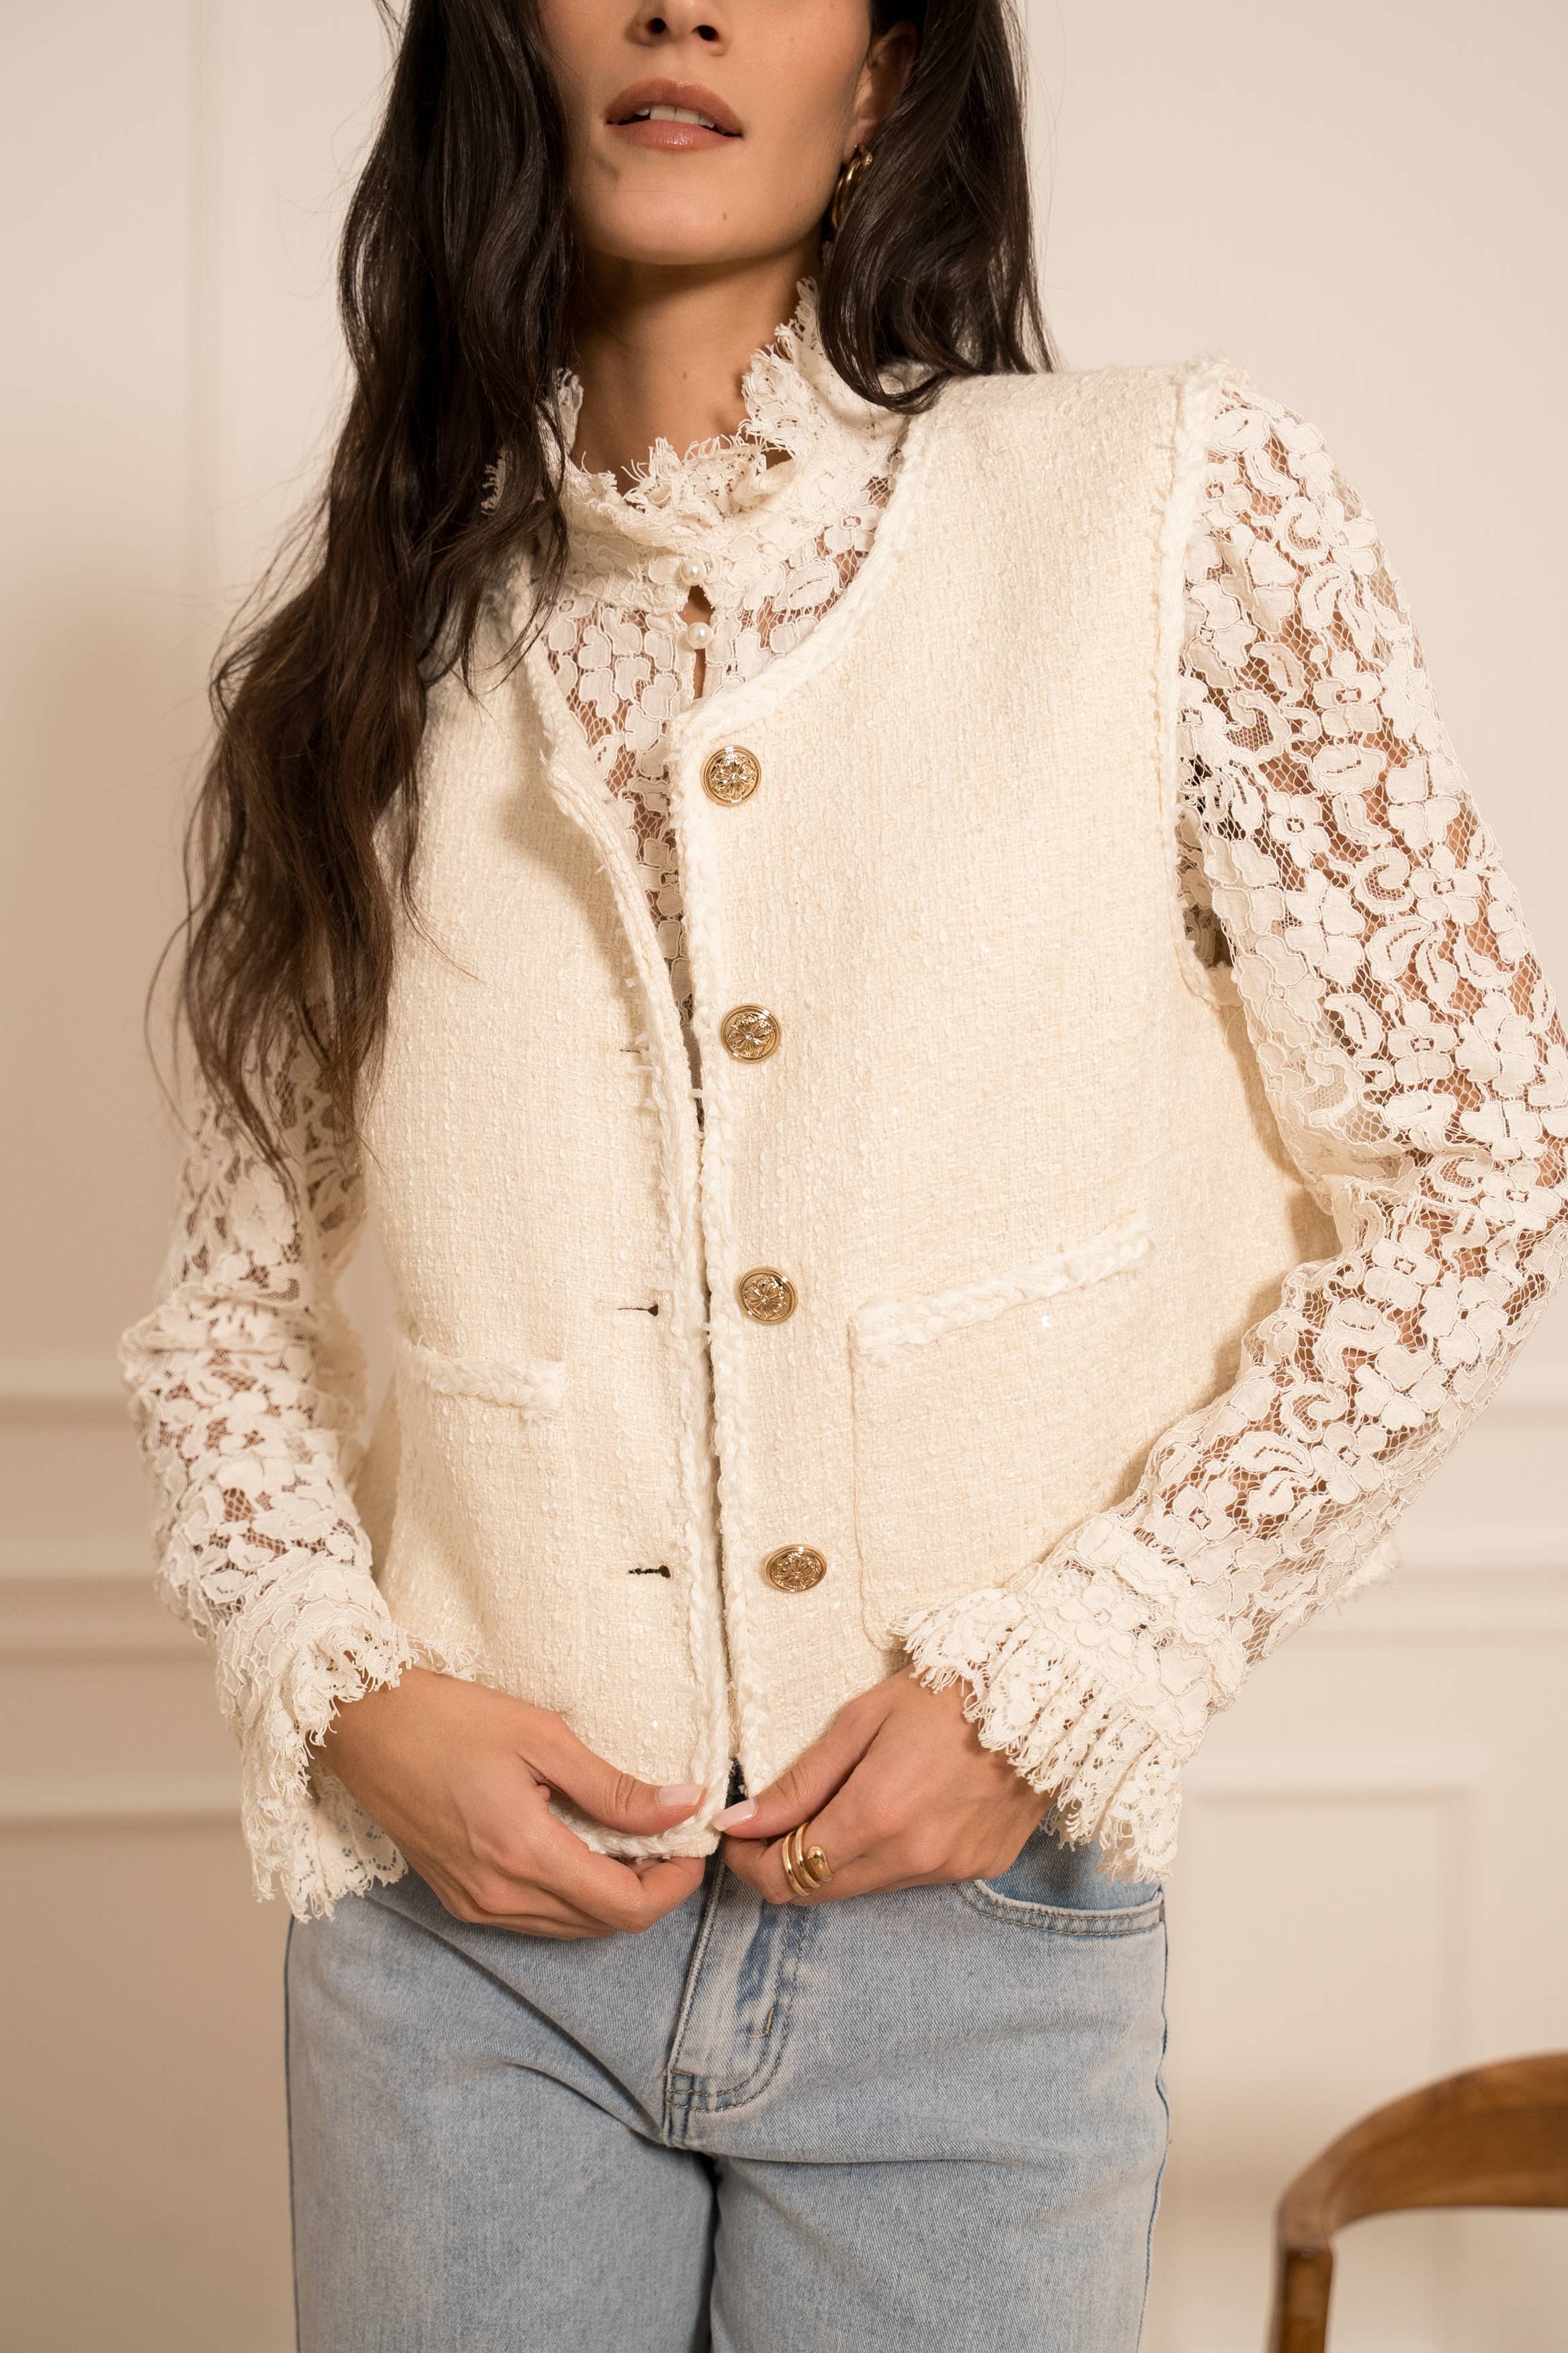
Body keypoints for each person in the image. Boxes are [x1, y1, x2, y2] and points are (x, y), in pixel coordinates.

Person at [119, 2, 1567, 2346]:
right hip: (461, 1965)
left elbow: (1487, 1151)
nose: (682, 8)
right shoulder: (360, 666)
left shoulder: (1163, 511)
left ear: (888, 75)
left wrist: (1071, 1672)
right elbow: (225, 1306)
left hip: (973, 1959)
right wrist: (355, 1695)